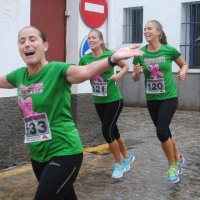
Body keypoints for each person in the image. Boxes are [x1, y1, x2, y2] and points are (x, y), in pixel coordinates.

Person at [0, 26, 144, 199]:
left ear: (45, 46)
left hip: (65, 151)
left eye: (32, 39)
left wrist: (112, 59)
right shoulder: (19, 76)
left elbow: (85, 71)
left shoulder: (58, 70)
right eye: (22, 41)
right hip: (37, 154)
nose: (27, 44)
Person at [132, 20, 188, 183]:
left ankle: (172, 166)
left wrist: (183, 72)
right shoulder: (140, 54)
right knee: (166, 132)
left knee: (161, 131)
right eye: (144, 29)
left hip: (169, 98)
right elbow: (135, 78)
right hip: (152, 99)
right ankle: (177, 155)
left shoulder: (168, 50)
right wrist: (136, 72)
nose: (146, 31)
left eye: (149, 28)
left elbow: (184, 64)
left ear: (158, 32)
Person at [79, 29, 135, 179]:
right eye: (89, 38)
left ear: (101, 41)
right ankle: (127, 156)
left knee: (106, 131)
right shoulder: (85, 59)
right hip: (98, 100)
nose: (91, 40)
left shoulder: (109, 55)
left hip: (114, 100)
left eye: (94, 38)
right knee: (114, 131)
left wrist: (118, 75)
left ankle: (119, 164)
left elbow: (125, 66)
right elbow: (80, 72)